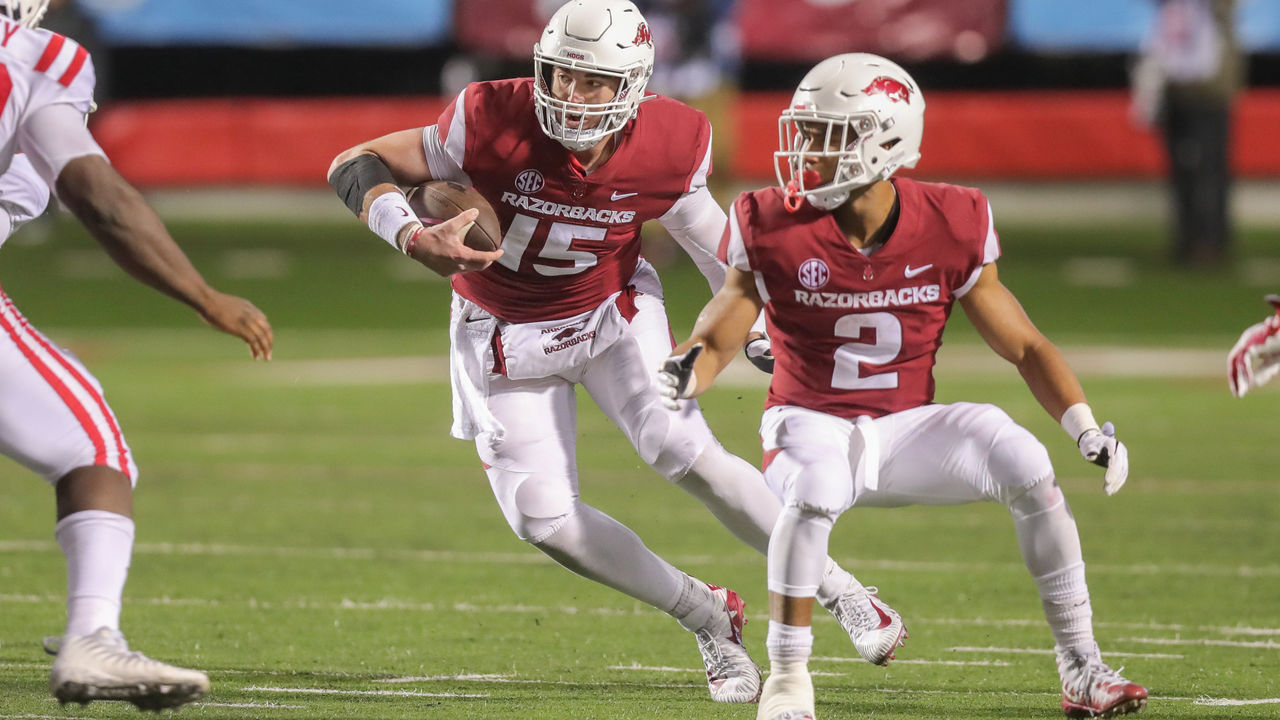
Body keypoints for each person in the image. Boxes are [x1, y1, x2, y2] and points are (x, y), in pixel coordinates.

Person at [327, 0, 905, 703]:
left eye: (592, 82)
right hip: (499, 325)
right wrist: (411, 235)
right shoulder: (488, 116)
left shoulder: (670, 137)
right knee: (541, 518)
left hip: (609, 311)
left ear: (632, 85)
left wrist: (761, 323)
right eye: (561, 75)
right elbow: (355, 161)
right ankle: (707, 614)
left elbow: (706, 236)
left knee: (679, 448)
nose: (571, 95)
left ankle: (842, 591)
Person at [658, 53, 1149, 720]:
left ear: (882, 141)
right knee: (818, 487)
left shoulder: (954, 219)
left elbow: (1026, 345)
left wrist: (1085, 426)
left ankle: (1082, 669)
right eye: (803, 131)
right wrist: (688, 369)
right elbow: (721, 331)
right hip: (807, 423)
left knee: (1026, 462)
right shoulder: (770, 220)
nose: (804, 149)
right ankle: (788, 681)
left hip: (906, 429)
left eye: (824, 134)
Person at [0, 0, 273, 709]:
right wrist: (203, 294)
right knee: (94, 449)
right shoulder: (38, 58)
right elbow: (101, 198)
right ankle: (94, 635)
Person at [1131, 0, 1243, 267]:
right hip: (1174, 83)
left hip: (1210, 87)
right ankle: (1187, 237)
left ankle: (1212, 240)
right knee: (1182, 168)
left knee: (1210, 166)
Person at [1227, 294, 1280, 397]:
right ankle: (1251, 383)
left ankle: (1242, 387)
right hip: (1270, 339)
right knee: (1270, 364)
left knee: (1240, 355)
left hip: (1270, 338)